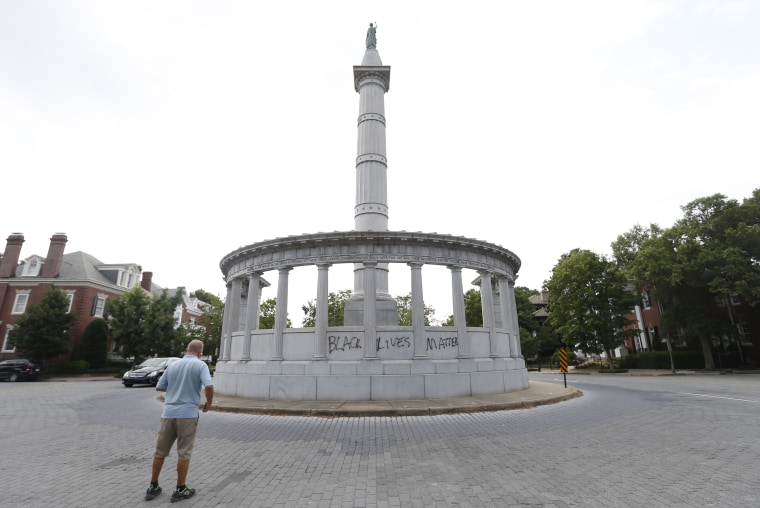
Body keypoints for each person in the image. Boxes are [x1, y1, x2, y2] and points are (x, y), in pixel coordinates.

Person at [144, 340, 214, 503]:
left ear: (186, 350)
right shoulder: (200, 365)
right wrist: (208, 404)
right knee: (184, 452)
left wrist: (176, 386)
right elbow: (209, 386)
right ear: (200, 353)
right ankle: (180, 488)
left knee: (160, 451)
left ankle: (153, 486)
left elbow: (160, 387)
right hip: (188, 414)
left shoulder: (173, 365)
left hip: (168, 413)